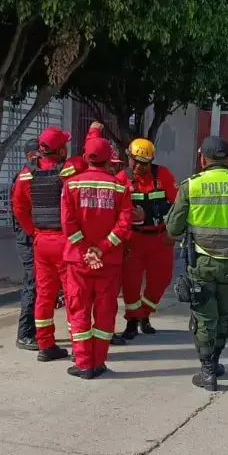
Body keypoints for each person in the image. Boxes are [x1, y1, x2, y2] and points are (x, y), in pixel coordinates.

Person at [165, 135, 228, 391]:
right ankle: (216, 361)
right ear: (226, 157)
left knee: (204, 317)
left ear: (203, 158)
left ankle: (207, 370)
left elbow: (173, 227)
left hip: (202, 262)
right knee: (225, 315)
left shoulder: (192, 186)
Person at [61, 136, 134, 379]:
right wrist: (101, 249)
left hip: (78, 261)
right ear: (109, 159)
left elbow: (68, 225)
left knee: (78, 309)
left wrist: (87, 251)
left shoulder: (70, 185)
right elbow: (124, 225)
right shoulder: (120, 187)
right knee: (105, 311)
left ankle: (83, 364)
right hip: (109, 261)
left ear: (85, 157)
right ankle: (98, 362)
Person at [12, 125, 82, 362]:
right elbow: (89, 161)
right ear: (61, 150)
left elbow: (19, 208)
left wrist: (34, 232)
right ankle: (77, 348)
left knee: (44, 294)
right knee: (73, 294)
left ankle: (46, 346)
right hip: (65, 241)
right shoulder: (71, 169)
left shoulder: (26, 174)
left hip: (41, 241)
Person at [114, 137, 179, 343]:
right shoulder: (121, 178)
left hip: (160, 238)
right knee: (131, 283)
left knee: (162, 279)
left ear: (151, 161)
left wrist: (172, 231)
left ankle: (144, 314)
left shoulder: (163, 176)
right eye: (134, 161)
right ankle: (132, 321)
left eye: (143, 163)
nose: (138, 166)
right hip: (133, 239)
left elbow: (177, 206)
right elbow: (114, 211)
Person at [12, 148, 40, 351]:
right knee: (32, 283)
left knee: (38, 285)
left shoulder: (33, 175)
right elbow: (21, 210)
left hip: (32, 237)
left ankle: (36, 331)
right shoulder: (24, 176)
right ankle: (24, 334)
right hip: (27, 239)